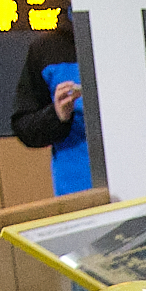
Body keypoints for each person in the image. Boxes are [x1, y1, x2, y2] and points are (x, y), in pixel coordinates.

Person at [9, 24, 93, 196]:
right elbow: (24, 127)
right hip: (77, 193)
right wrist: (57, 116)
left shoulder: (132, 34)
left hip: (142, 181)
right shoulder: (47, 49)